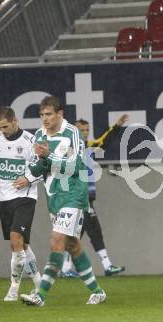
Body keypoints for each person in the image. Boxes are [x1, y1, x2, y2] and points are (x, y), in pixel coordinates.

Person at [20, 96, 106, 306]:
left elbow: (76, 166)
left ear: (60, 114)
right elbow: (40, 166)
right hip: (54, 195)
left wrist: (48, 156)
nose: (44, 119)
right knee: (72, 245)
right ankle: (97, 291)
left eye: (48, 114)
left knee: (56, 240)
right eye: (41, 115)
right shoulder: (40, 135)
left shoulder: (72, 133)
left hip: (74, 193)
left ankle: (40, 295)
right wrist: (29, 176)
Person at [60, 115, 128, 277]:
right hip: (79, 197)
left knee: (78, 232)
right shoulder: (69, 149)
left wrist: (117, 126)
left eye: (87, 130)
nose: (85, 133)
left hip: (86, 196)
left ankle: (66, 268)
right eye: (81, 130)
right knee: (92, 230)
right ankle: (105, 266)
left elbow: (104, 140)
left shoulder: (88, 146)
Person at [0, 106, 42, 301]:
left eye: (5, 126)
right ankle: (39, 283)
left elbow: (43, 167)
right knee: (19, 245)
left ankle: (14, 289)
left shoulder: (31, 141)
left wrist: (28, 179)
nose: (2, 130)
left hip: (25, 197)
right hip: (4, 198)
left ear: (15, 121)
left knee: (16, 238)